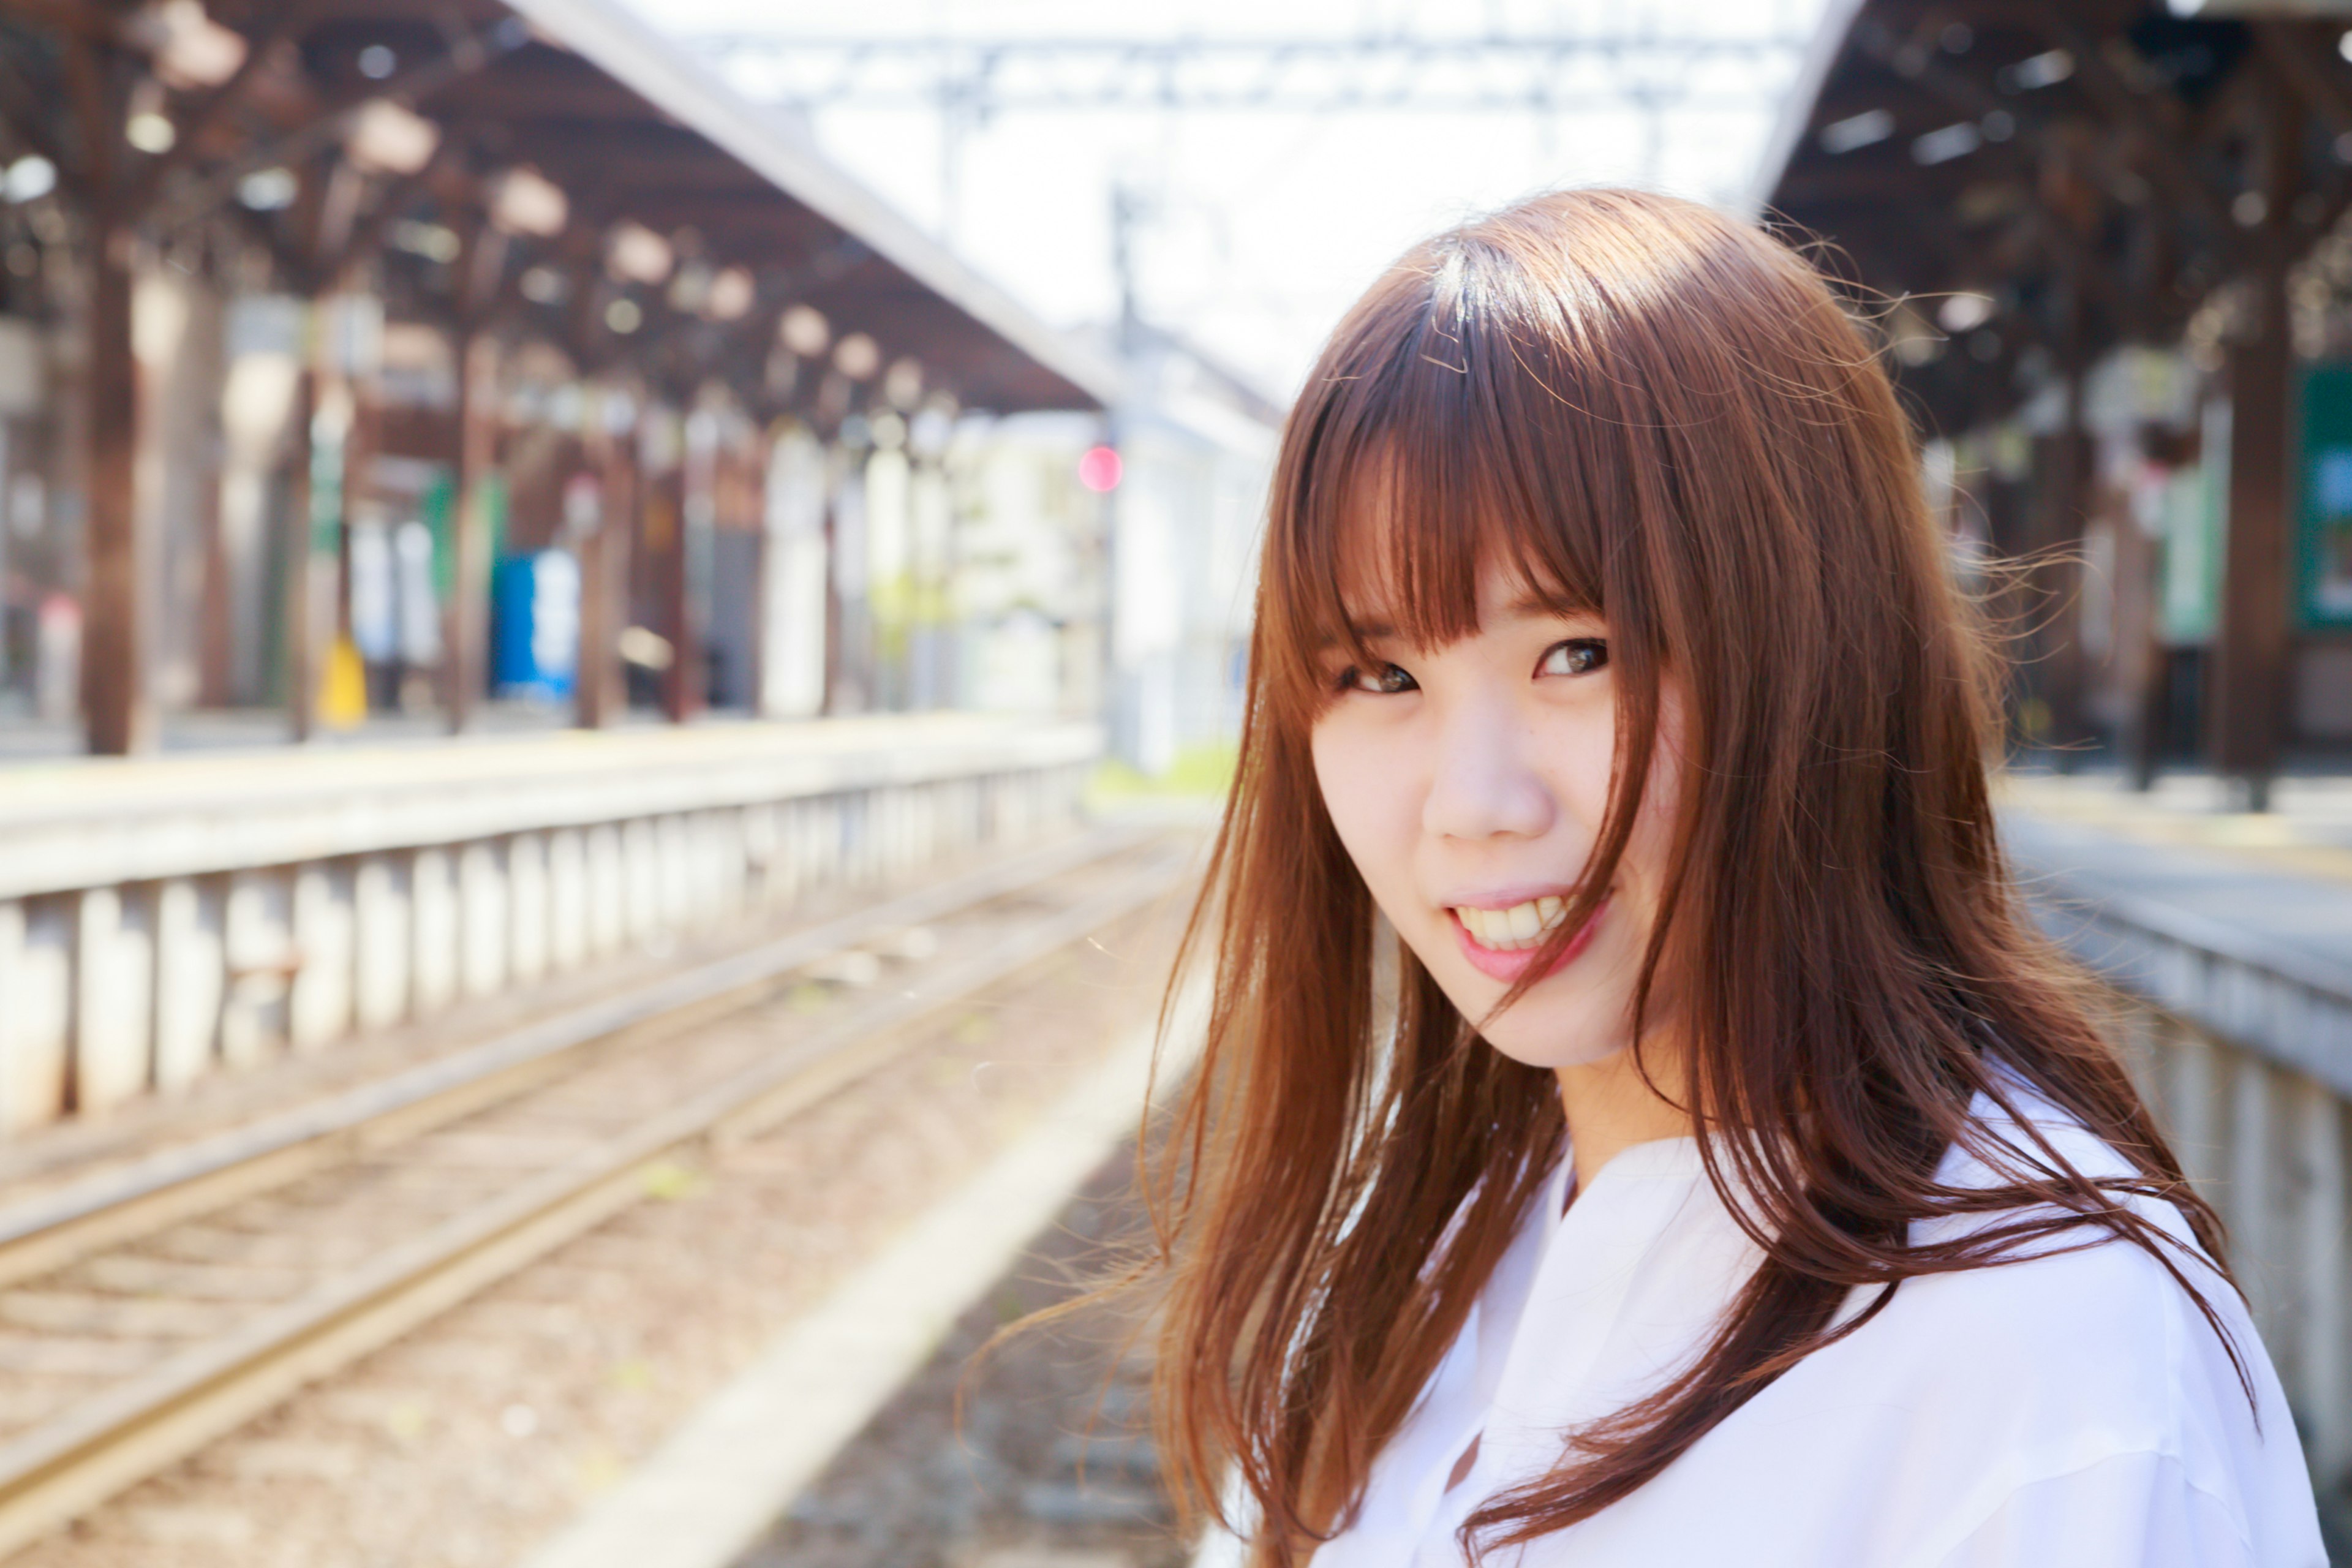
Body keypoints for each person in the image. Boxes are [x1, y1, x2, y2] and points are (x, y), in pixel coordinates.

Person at [1145, 189, 2326, 1565]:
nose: (1474, 806)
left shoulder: (2050, 1360)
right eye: (1382, 674)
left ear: (1816, 643)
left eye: (1577, 651)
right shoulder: (1417, 1250)